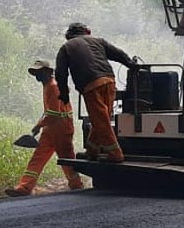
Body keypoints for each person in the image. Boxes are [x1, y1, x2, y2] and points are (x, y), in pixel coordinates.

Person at [56, 22, 137, 163]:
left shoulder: (66, 47)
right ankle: (92, 150)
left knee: (101, 120)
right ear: (87, 32)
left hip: (91, 85)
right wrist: (132, 65)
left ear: (69, 36)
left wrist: (64, 94)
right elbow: (119, 54)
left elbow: (60, 74)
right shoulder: (98, 41)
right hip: (109, 81)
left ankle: (115, 153)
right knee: (102, 118)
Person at [5, 60, 83, 197]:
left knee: (67, 159)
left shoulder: (53, 87)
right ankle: (24, 188)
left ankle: (77, 186)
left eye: (39, 72)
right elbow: (49, 111)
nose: (37, 76)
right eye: (36, 73)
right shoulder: (48, 85)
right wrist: (40, 125)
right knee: (38, 157)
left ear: (47, 72)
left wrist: (38, 125)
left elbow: (54, 113)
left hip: (61, 129)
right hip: (51, 129)